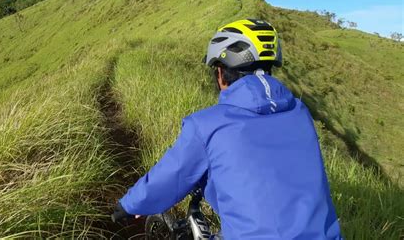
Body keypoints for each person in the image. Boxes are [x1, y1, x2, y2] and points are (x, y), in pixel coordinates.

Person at [113, 19, 342, 239]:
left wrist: (128, 205)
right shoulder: (301, 113)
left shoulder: (207, 125)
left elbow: (169, 177)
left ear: (221, 73)